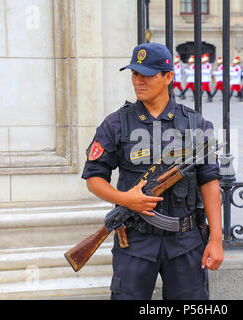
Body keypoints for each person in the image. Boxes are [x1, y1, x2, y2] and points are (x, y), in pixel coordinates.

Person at [81, 42, 224, 300]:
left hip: (185, 242)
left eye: (146, 74)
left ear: (168, 77)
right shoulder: (116, 123)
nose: (138, 80)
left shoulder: (196, 123)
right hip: (134, 241)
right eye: (134, 73)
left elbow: (210, 183)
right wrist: (126, 200)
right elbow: (93, 178)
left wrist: (216, 239)